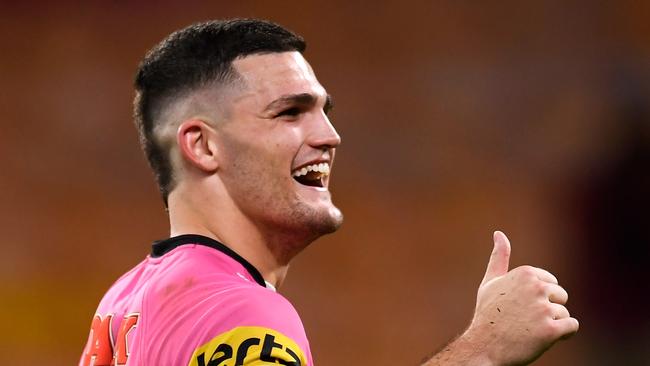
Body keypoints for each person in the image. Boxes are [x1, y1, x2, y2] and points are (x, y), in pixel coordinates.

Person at [79, 19, 578, 366]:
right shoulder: (243, 312)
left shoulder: (123, 305)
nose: (330, 135)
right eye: (290, 112)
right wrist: (484, 348)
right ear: (203, 145)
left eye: (323, 110)